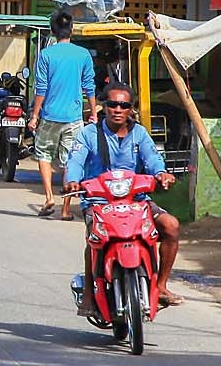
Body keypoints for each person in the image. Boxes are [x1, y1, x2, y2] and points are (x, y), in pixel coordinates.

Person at [64, 82, 182, 305]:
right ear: (103, 106)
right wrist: (72, 181)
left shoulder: (140, 134)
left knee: (171, 226)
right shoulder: (88, 134)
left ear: (131, 109)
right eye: (113, 104)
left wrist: (161, 174)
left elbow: (153, 158)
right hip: (99, 202)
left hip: (136, 201)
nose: (118, 110)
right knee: (94, 238)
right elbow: (76, 161)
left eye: (124, 105)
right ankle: (89, 292)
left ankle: (161, 286)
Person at [27, 9, 95, 218]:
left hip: (49, 116)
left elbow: (41, 88)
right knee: (70, 162)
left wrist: (35, 116)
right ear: (71, 30)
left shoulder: (46, 55)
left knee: (44, 155)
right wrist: (93, 112)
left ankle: (49, 197)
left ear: (52, 31)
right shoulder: (83, 54)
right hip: (74, 118)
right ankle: (65, 209)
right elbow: (89, 86)